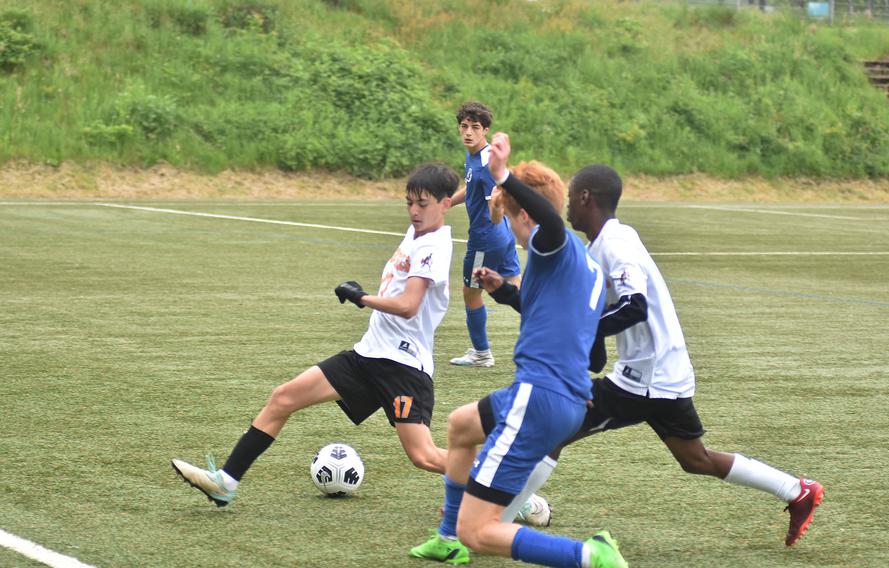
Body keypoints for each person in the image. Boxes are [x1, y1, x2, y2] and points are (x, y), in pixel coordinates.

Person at [488, 164, 825, 547]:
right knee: (695, 459)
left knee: (554, 431)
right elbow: (568, 314)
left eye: (571, 197)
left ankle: (494, 522)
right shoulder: (599, 245)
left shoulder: (616, 243)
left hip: (644, 377)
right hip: (663, 371)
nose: (566, 207)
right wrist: (508, 293)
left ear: (586, 198)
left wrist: (585, 333)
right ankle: (797, 490)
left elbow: (634, 306)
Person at [171, 162, 459, 506]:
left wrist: (361, 298)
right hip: (367, 355)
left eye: (422, 204)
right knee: (283, 398)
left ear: (442, 204)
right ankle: (226, 482)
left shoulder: (433, 248)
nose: (413, 211)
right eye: (409, 202)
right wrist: (479, 180)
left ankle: (504, 491)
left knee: (423, 456)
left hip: (403, 366)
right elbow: (445, 200)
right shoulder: (421, 228)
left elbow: (410, 305)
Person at [409, 134, 628, 568]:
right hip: (566, 401)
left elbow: (546, 220)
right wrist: (507, 293)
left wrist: (503, 176)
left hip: (539, 397)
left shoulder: (552, 241)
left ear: (523, 213)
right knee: (461, 426)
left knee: (481, 531)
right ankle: (446, 538)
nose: (508, 227)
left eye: (509, 217)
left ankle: (591, 556)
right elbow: (595, 357)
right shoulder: (587, 264)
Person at [447, 101, 522, 368]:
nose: (468, 132)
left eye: (474, 127)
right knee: (518, 288)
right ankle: (554, 336)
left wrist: (493, 216)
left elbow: (495, 201)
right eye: (464, 126)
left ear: (485, 130)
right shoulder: (478, 154)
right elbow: (472, 188)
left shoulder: (486, 164)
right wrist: (449, 202)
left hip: (485, 239)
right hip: (504, 236)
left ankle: (481, 353)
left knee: (471, 292)